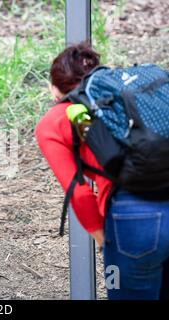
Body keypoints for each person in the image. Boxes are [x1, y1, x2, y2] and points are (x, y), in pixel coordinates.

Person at [35, 43, 169, 300]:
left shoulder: (53, 121)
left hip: (134, 221)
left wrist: (103, 238)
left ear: (54, 88)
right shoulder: (131, 96)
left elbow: (80, 193)